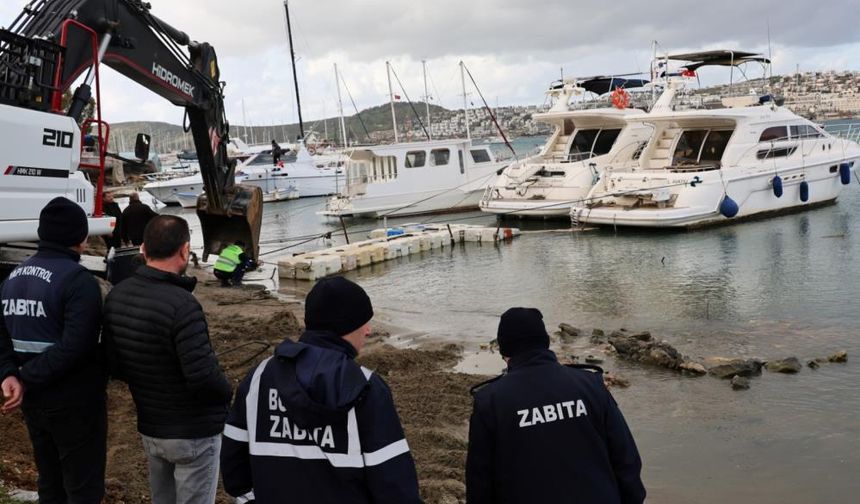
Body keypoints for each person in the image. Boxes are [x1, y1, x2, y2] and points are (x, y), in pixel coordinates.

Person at [221, 277, 422, 504]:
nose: (368, 330)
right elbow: (395, 486)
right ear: (345, 325)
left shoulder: (258, 378)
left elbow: (234, 474)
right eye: (364, 322)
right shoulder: (365, 387)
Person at [103, 215, 232, 504]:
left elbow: (115, 364)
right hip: (193, 434)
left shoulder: (118, 295)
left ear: (143, 250)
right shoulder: (183, 305)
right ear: (185, 250)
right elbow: (203, 378)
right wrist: (227, 392)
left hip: (152, 428)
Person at [466, 308, 646, 504]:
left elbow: (480, 482)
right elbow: (626, 459)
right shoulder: (591, 385)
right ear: (545, 342)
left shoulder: (491, 401)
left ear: (504, 350)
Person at [0, 197, 107, 504]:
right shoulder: (78, 281)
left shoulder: (12, 278)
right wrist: (20, 375)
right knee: (83, 487)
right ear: (81, 237)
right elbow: (77, 346)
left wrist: (9, 373)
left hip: (34, 403)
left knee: (50, 482)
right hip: (74, 403)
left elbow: (1, 336)